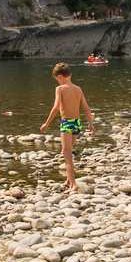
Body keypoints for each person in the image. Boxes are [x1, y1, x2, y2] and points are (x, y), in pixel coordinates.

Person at [39, 62, 95, 191]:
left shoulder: (60, 89)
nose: (57, 82)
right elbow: (86, 108)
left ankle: (73, 184)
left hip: (67, 123)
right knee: (68, 150)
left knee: (67, 154)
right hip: (77, 123)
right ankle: (68, 180)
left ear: (60, 76)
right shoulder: (78, 89)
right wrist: (91, 123)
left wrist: (46, 124)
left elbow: (56, 108)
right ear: (70, 74)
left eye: (57, 79)